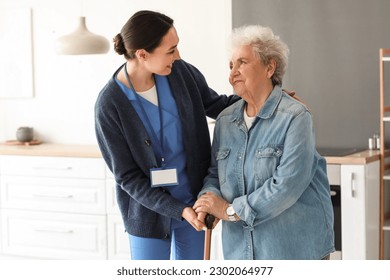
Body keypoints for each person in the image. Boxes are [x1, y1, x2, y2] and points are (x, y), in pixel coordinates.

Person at [94, 10, 239, 260]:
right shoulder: (109, 105)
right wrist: (178, 210)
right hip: (148, 216)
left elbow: (218, 105)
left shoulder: (181, 73)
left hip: (195, 205)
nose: (178, 56)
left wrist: (268, 100)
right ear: (142, 54)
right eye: (170, 50)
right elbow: (127, 178)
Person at [194, 25, 335, 260]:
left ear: (270, 67)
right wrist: (208, 199)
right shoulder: (225, 121)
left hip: (292, 250)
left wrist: (228, 210)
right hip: (241, 252)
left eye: (242, 62)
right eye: (231, 65)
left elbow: (286, 187)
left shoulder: (295, 117)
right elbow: (214, 175)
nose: (233, 72)